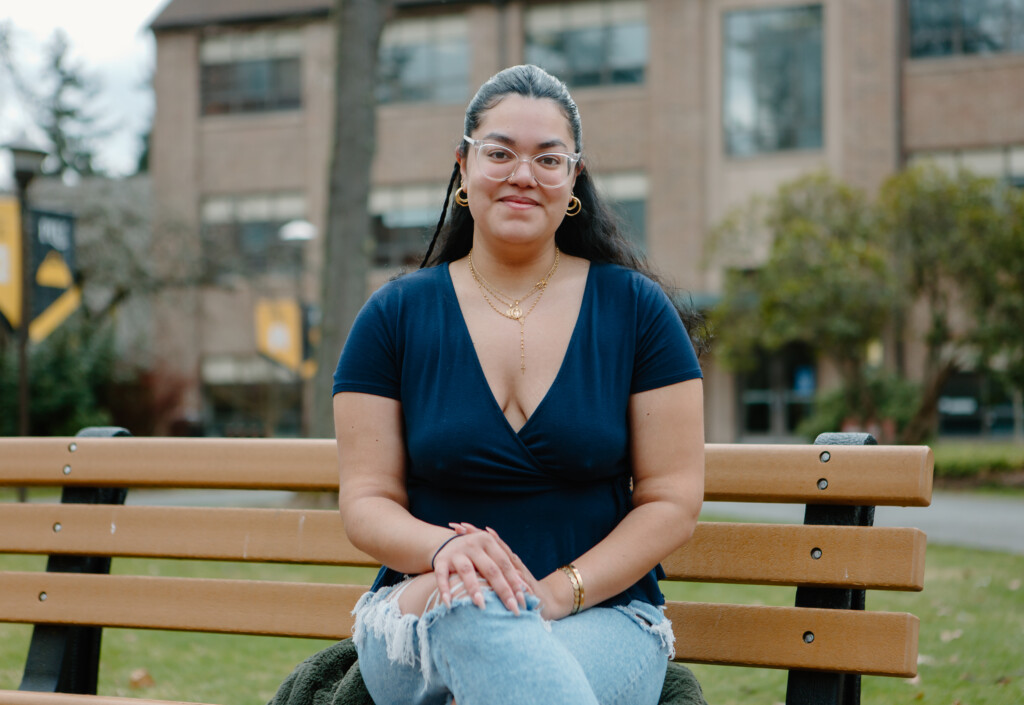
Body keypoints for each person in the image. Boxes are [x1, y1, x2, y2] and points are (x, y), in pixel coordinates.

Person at [333, 64, 705, 705]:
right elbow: (366, 501)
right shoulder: (392, 316)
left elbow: (672, 500)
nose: (522, 175)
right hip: (422, 614)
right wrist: (449, 552)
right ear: (464, 167)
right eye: (499, 153)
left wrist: (557, 591)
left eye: (548, 158)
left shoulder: (637, 311)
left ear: (574, 178)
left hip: (603, 616)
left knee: (513, 671)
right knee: (472, 605)